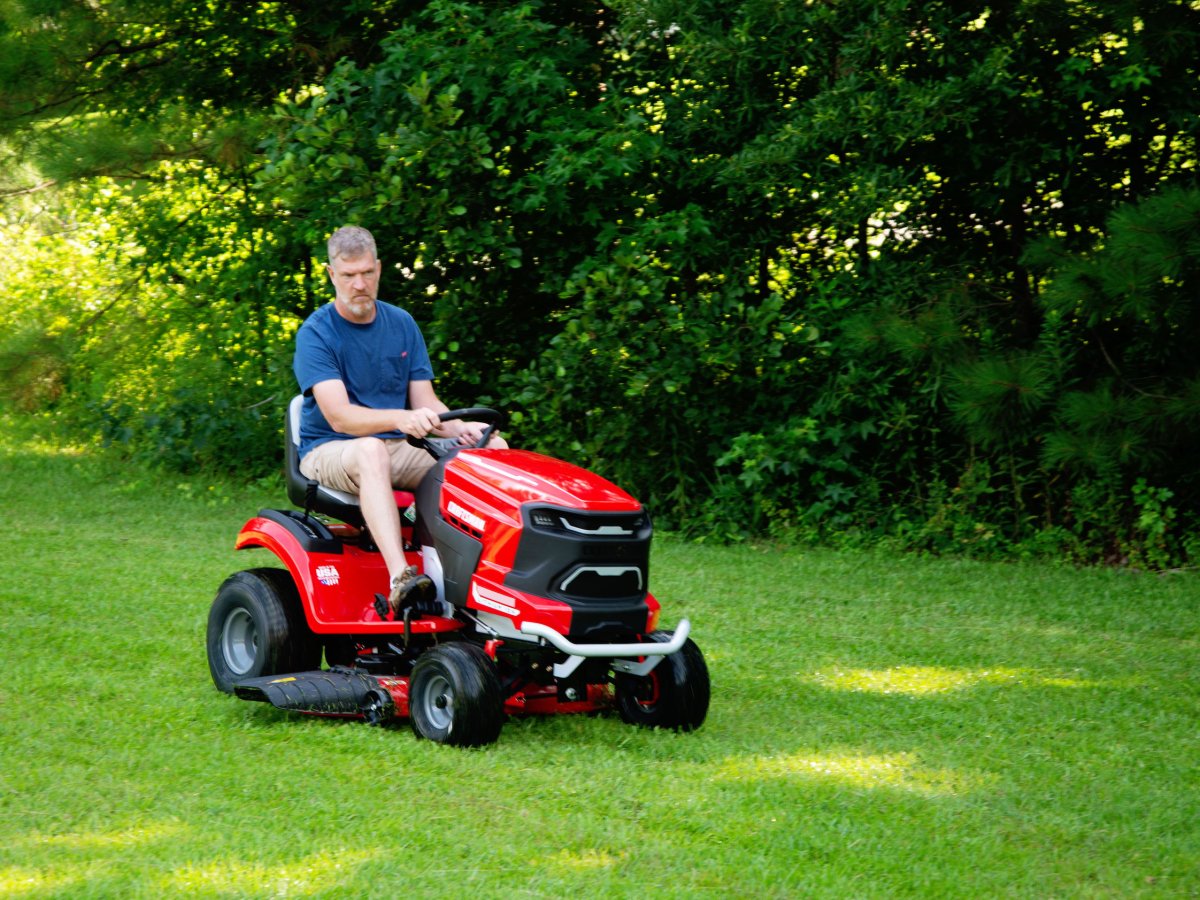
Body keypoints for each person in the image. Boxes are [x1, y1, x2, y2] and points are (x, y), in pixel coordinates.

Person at [293, 225, 505, 616]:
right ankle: (401, 579)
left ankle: (486, 579)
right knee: (373, 451)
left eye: (367, 273)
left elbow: (426, 403)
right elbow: (341, 418)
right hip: (330, 449)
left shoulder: (402, 324)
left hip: (400, 445)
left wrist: (464, 430)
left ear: (379, 268)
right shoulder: (316, 333)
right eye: (349, 275)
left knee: (489, 453)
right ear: (330, 275)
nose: (360, 284)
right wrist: (402, 418)